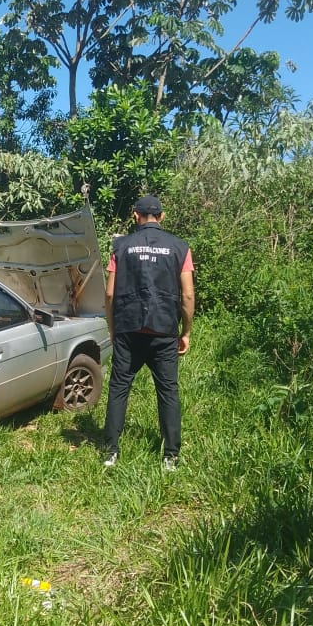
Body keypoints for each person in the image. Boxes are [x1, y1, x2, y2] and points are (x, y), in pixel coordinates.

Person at [102, 195, 195, 470]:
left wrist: (112, 328)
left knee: (119, 388)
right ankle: (170, 456)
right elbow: (188, 296)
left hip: (128, 329)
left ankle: (110, 452)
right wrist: (186, 332)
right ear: (162, 217)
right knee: (168, 390)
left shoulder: (120, 247)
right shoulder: (180, 248)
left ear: (135, 216)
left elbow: (109, 294)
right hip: (164, 330)